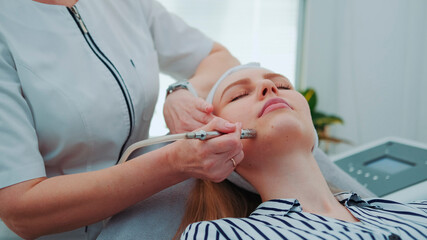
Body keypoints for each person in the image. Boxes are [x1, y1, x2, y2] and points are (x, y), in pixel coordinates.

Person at [0, 0, 242, 239]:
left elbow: (217, 57)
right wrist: (173, 164)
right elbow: (21, 211)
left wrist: (182, 91)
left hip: (139, 225)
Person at [177, 63, 427, 240]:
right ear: (217, 141)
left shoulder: (418, 210)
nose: (268, 86)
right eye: (239, 95)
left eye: (284, 85)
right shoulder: (219, 235)